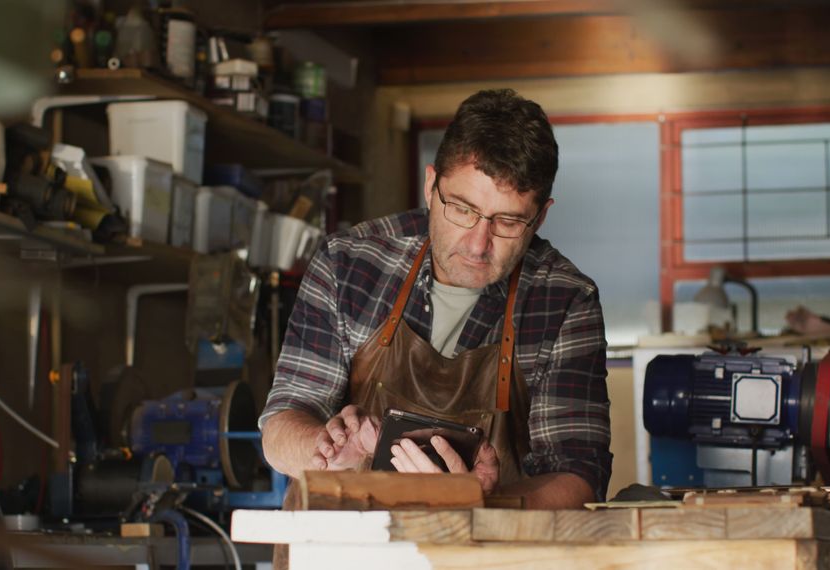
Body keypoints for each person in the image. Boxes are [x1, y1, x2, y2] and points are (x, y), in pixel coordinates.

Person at [259, 88, 611, 508]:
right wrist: (329, 449)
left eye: (508, 221)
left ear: (541, 216)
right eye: (462, 209)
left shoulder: (564, 299)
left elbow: (579, 476)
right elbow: (281, 427)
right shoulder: (351, 263)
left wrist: (482, 501)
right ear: (431, 186)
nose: (478, 244)